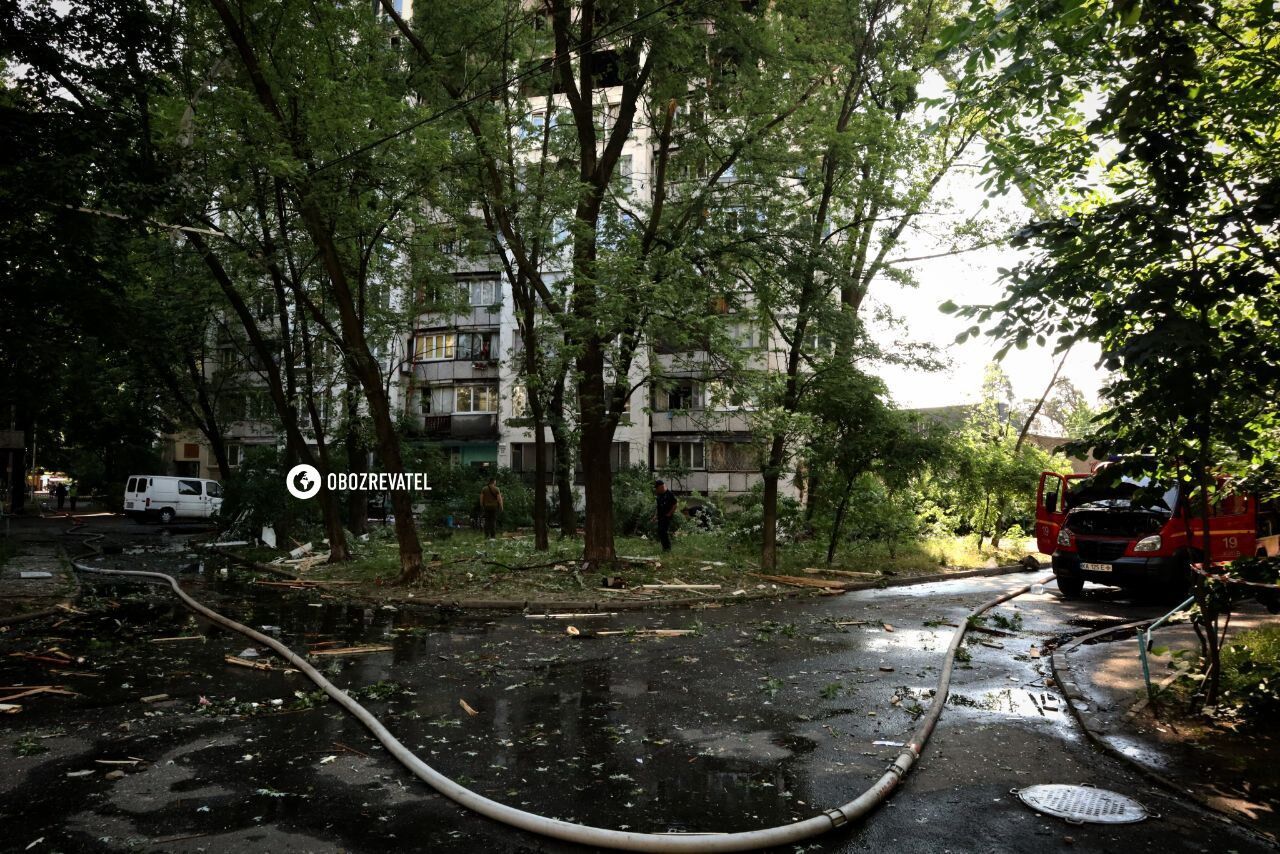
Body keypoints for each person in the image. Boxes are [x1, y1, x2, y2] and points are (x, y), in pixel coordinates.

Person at [653, 480, 678, 552]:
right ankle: (665, 548)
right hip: (660, 516)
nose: (656, 490)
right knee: (660, 532)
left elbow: (675, 504)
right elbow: (658, 507)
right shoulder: (659, 495)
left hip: (667, 516)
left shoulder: (669, 494)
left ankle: (667, 548)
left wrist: (669, 513)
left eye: (657, 488)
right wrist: (655, 516)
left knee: (663, 531)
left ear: (661, 487)